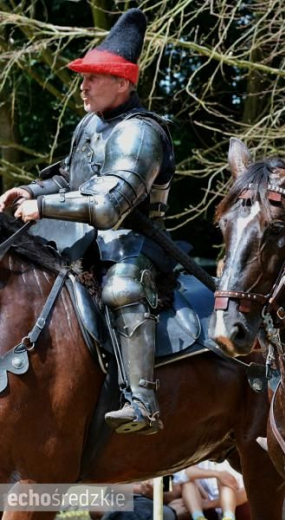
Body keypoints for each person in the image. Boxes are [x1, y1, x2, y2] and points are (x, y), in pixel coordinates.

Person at [0, 8, 175, 435]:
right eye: (84, 77)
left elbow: (110, 207)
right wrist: (31, 191)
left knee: (121, 289)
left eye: (93, 77)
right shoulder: (91, 124)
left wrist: (45, 208)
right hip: (84, 242)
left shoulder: (140, 133)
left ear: (123, 83)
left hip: (133, 246)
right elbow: (68, 177)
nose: (83, 85)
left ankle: (141, 402)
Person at [174, 461, 247, 520]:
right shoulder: (201, 454)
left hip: (231, 502)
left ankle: (229, 517)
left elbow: (246, 493)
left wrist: (208, 504)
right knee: (187, 481)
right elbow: (185, 473)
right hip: (203, 499)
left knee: (226, 478)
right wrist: (217, 474)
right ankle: (198, 517)